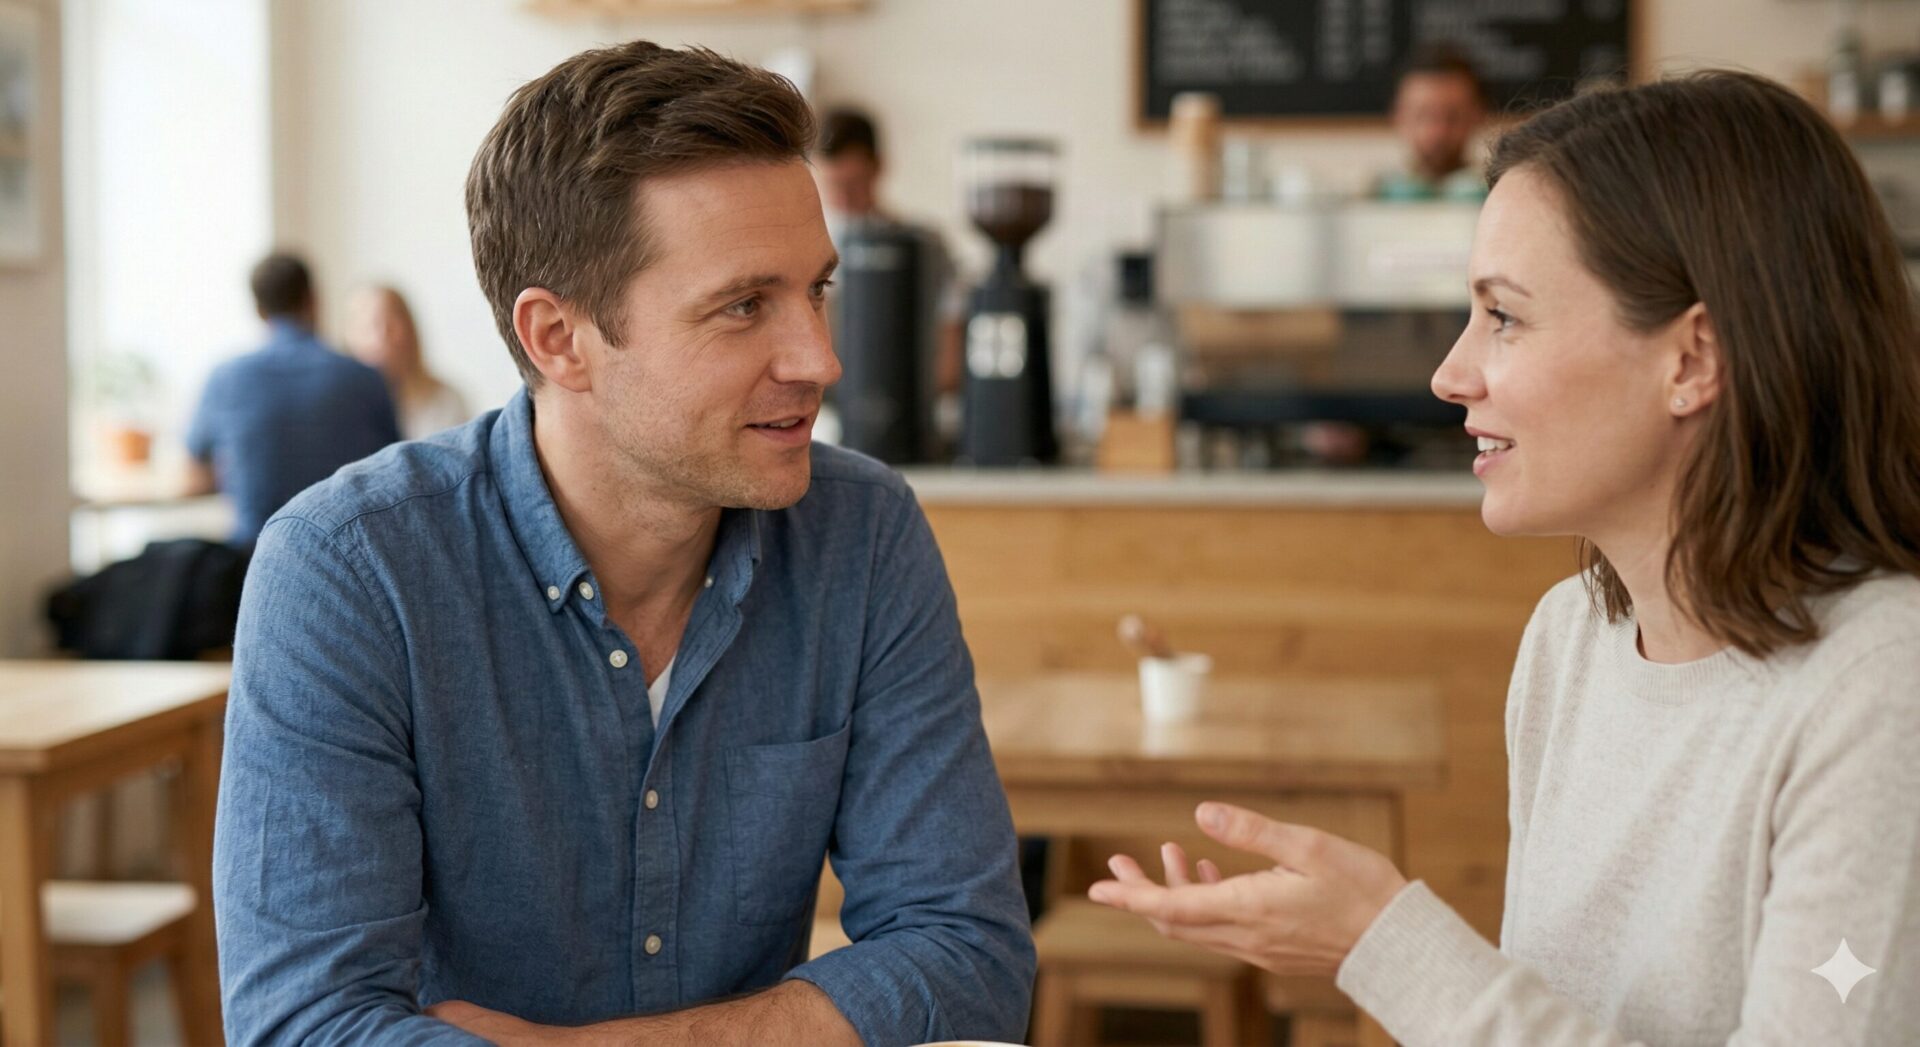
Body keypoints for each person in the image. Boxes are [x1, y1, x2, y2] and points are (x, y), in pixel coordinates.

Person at [213, 41, 1033, 1047]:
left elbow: (968, 952)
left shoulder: (860, 534)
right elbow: (305, 1026)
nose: (821, 357)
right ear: (560, 339)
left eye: (816, 290)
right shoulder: (348, 571)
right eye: (743, 306)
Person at [1089, 71, 1920, 1044]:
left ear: (1692, 360)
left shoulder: (1881, 688)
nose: (1452, 372)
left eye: (1505, 317)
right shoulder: (1570, 642)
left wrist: (1386, 945)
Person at [185, 252, 401, 545]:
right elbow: (394, 469)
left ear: (259, 310)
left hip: (254, 559)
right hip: (351, 557)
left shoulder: (225, 379)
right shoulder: (365, 378)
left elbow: (194, 475)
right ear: (313, 300)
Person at [814, 107, 967, 435]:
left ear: (878, 168)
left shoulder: (925, 246)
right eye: (834, 186)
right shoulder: (809, 249)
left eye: (854, 185)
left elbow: (951, 332)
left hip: (909, 410)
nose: (844, 199)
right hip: (829, 416)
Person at [345, 284, 471, 439]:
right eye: (370, 326)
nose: (382, 336)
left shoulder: (447, 401)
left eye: (391, 323)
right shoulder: (342, 408)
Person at [1375, 44, 1489, 201]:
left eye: (1453, 116)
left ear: (1477, 115)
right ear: (1398, 116)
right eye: (1423, 115)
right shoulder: (1368, 201)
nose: (1438, 132)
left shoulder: (1500, 197)